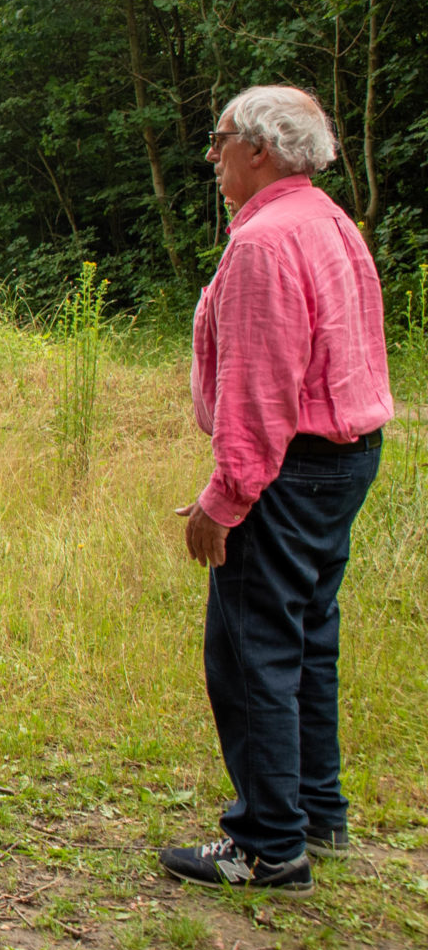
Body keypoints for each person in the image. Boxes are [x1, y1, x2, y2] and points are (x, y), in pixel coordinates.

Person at [165, 86, 392, 896]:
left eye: (220, 139)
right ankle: (316, 813)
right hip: (346, 457)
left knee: (250, 648)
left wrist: (225, 499)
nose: (212, 156)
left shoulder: (264, 241)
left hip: (290, 466)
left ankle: (269, 844)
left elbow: (261, 392)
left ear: (259, 149)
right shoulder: (329, 221)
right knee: (306, 637)